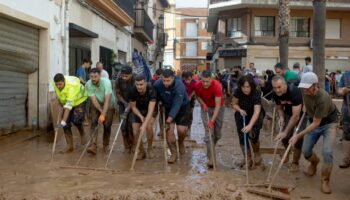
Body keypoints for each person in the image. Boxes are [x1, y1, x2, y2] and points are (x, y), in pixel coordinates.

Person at [290, 72, 338, 194]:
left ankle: (325, 180)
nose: (305, 91)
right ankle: (314, 162)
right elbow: (307, 104)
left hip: (328, 124)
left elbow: (317, 123)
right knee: (306, 151)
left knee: (327, 152)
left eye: (308, 88)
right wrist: (307, 108)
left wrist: (298, 135)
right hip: (313, 119)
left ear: (316, 85)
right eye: (304, 88)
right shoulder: (305, 91)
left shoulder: (324, 98)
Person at [153, 69, 191, 163]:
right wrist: (159, 101)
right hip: (167, 107)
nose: (166, 83)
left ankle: (181, 142)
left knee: (181, 131)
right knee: (169, 132)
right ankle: (174, 153)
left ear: (173, 78)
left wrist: (168, 120)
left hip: (182, 108)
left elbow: (177, 105)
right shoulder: (157, 84)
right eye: (164, 80)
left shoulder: (179, 86)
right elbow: (154, 95)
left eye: (168, 80)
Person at [272, 76, 306, 172]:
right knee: (283, 136)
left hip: (300, 114)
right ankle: (287, 151)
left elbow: (296, 116)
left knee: (297, 137)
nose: (277, 90)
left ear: (284, 84)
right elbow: (279, 108)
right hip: (287, 112)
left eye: (279, 87)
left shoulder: (294, 92)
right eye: (274, 88)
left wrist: (286, 131)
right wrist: (281, 117)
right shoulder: (275, 94)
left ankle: (295, 162)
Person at [232, 75, 264, 168]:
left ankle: (257, 153)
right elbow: (234, 104)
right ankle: (247, 158)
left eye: (248, 87)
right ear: (240, 86)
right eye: (243, 87)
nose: (246, 89)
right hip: (242, 113)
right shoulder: (237, 91)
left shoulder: (256, 92)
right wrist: (239, 109)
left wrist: (250, 125)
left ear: (251, 86)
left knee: (252, 134)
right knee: (242, 135)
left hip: (255, 114)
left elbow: (257, 111)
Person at [195, 70, 225, 168]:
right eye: (203, 81)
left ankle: (211, 146)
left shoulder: (217, 86)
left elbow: (218, 105)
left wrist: (212, 120)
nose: (205, 84)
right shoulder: (198, 85)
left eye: (207, 81)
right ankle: (211, 157)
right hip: (206, 108)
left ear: (211, 80)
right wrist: (203, 104)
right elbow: (197, 96)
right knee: (209, 133)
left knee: (218, 134)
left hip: (218, 108)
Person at [53, 73, 88, 153]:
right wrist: (60, 100)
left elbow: (68, 108)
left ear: (64, 81)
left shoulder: (71, 88)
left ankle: (82, 132)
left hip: (80, 99)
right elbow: (57, 92)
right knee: (66, 123)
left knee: (76, 119)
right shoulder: (55, 82)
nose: (58, 86)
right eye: (57, 84)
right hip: (68, 99)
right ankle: (69, 146)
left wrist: (62, 122)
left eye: (60, 84)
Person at [85, 68, 115, 155]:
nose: (93, 79)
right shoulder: (88, 84)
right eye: (91, 76)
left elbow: (107, 101)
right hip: (97, 104)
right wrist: (101, 111)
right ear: (89, 76)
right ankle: (93, 145)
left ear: (100, 76)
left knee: (107, 125)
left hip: (109, 104)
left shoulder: (106, 82)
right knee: (94, 122)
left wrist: (103, 114)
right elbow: (93, 100)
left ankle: (106, 145)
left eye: (95, 76)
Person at [129, 75, 157, 159]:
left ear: (145, 83)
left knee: (148, 126)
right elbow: (133, 107)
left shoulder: (152, 90)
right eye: (137, 84)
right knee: (135, 131)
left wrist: (144, 123)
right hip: (138, 110)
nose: (139, 87)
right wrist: (141, 117)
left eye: (141, 84)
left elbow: (151, 109)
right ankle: (141, 151)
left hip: (150, 109)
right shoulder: (132, 90)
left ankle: (150, 147)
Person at [115, 65, 135, 152]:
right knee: (123, 126)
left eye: (126, 76)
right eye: (122, 75)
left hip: (134, 105)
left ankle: (133, 144)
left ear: (131, 74)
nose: (124, 77)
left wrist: (130, 105)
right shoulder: (119, 80)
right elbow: (118, 94)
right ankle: (126, 145)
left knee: (131, 125)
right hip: (123, 104)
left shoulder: (135, 81)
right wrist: (124, 103)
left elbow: (137, 96)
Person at [338, 70, 350, 168]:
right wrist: (343, 91)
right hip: (347, 108)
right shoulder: (345, 75)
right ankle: (347, 160)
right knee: (347, 134)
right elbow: (339, 91)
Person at [182, 71, 197, 136]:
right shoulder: (181, 83)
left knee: (190, 114)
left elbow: (195, 90)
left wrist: (190, 96)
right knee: (183, 114)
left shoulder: (194, 83)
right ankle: (183, 128)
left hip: (191, 99)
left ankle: (189, 129)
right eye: (186, 80)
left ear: (191, 78)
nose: (188, 81)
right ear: (183, 78)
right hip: (183, 99)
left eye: (189, 79)